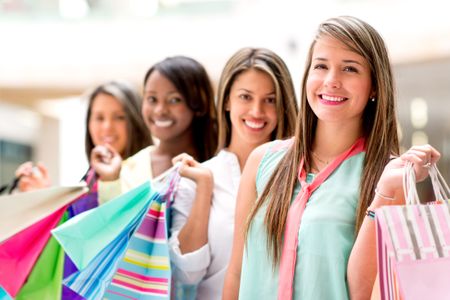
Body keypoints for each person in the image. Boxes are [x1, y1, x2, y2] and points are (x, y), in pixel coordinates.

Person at [223, 16, 441, 300]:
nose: (331, 81)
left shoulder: (387, 176)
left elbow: (367, 290)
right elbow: (237, 272)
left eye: (349, 68)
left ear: (374, 86)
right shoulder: (263, 161)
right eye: (321, 66)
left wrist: (385, 194)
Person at [169, 48, 299, 299]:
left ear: (283, 106)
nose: (257, 111)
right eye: (245, 97)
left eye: (270, 99)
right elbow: (187, 275)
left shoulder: (302, 176)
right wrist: (205, 188)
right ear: (227, 101)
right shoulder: (196, 178)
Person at [92, 56, 218, 204]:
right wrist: (110, 181)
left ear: (200, 103)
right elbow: (114, 225)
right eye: (152, 99)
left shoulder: (220, 161)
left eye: (174, 100)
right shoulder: (127, 170)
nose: (160, 110)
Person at [14, 80, 151, 195]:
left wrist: (111, 182)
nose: (107, 127)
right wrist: (42, 193)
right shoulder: (90, 179)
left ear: (136, 121)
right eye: (99, 118)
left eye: (119, 117)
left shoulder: (149, 175)